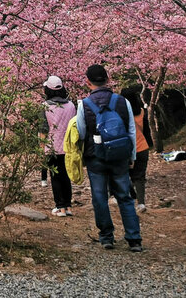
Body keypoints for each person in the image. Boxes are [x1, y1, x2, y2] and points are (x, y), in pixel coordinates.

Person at [76, 64, 142, 252]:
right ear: (108, 80)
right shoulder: (122, 101)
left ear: (87, 82)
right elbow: (130, 130)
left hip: (95, 156)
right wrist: (132, 155)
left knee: (99, 197)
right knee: (125, 196)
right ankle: (134, 239)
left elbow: (81, 133)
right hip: (120, 155)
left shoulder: (84, 104)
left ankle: (106, 237)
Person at [40, 76, 76, 217]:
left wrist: (41, 148)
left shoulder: (45, 106)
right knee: (66, 176)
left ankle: (60, 207)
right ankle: (68, 207)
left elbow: (43, 129)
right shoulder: (71, 106)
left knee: (55, 176)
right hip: (68, 147)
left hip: (52, 147)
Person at [120, 88, 153, 213]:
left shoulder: (122, 114)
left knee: (124, 174)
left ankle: (129, 197)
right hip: (142, 147)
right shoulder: (142, 112)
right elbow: (146, 131)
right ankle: (141, 203)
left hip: (127, 149)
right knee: (139, 177)